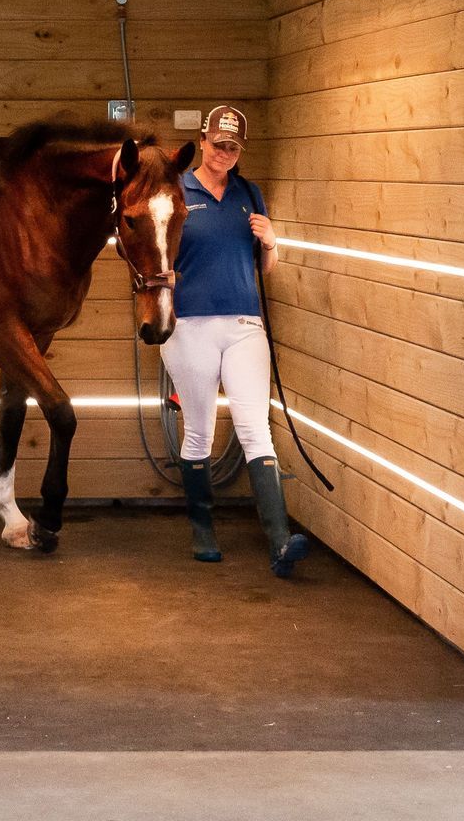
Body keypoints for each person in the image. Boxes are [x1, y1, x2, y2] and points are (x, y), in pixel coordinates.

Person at [160, 105, 308, 576]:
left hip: (245, 322)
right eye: (218, 143)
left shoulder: (250, 193)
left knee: (254, 425)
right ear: (203, 142)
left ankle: (280, 543)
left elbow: (266, 269)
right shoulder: (177, 190)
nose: (224, 152)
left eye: (233, 147)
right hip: (190, 324)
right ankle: (203, 534)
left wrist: (271, 242)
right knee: (199, 429)